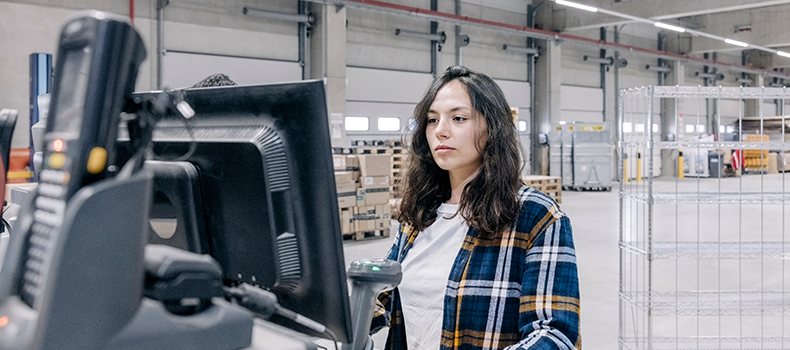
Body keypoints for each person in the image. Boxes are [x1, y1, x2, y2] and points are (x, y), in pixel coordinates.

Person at [371, 65, 581, 350]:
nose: (440, 131)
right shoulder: (422, 212)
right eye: (432, 120)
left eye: (458, 118)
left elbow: (553, 334)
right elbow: (384, 296)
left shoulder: (536, 216)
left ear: (491, 127)